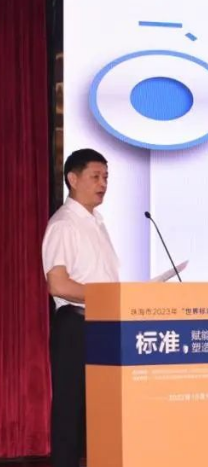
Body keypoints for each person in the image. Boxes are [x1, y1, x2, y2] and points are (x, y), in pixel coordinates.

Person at [42, 148, 120, 467]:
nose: (103, 184)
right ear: (73, 179)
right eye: (95, 176)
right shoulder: (64, 224)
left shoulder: (96, 222)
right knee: (70, 412)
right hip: (75, 326)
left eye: (106, 177)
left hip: (100, 324)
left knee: (99, 412)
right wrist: (106, 296)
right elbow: (58, 284)